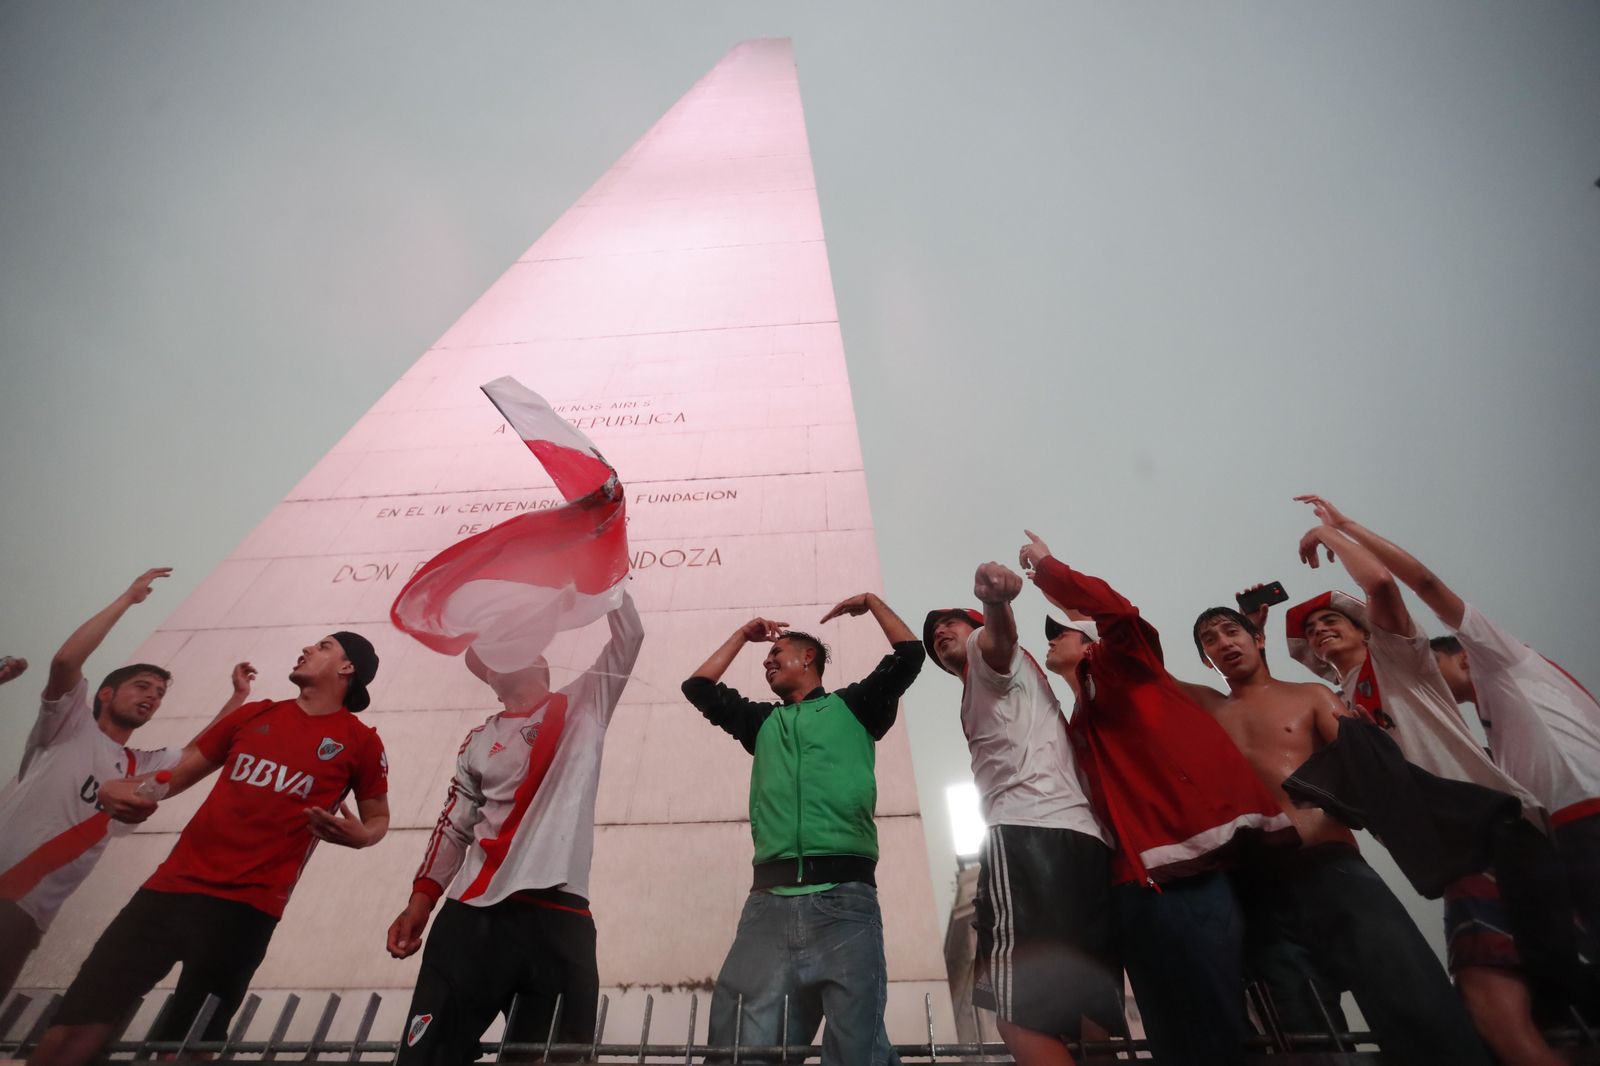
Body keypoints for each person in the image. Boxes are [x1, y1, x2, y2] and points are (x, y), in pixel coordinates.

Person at [1288, 503, 1571, 1066]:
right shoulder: (1339, 708)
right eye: (1311, 631)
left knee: (1486, 995)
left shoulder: (1398, 660)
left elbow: (1382, 585)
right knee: (1540, 1004)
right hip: (1455, 849)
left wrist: (1329, 532)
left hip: (1491, 823)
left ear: (1361, 628)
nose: (1320, 630)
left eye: (1331, 620)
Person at [28, 632, 389, 1066]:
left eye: (324, 646)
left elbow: (377, 819)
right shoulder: (256, 714)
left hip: (247, 910)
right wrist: (117, 789)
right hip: (166, 893)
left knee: (186, 1051)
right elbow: (171, 777)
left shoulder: (362, 741)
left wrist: (363, 836)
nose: (308, 649)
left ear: (347, 668)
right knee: (72, 1031)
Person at [1017, 532, 1295, 1066]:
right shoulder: (1077, 723)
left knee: (1217, 1028)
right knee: (1170, 1038)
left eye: (1061, 632)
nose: (1050, 639)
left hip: (1187, 871)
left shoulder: (1127, 668)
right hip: (1130, 889)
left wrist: (1050, 569)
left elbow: (1119, 612)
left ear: (1091, 643)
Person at [1191, 604, 1490, 1064]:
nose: (1224, 643)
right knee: (1303, 1033)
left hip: (1332, 868)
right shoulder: (1206, 709)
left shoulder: (1311, 695)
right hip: (1258, 887)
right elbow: (1137, 667)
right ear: (1205, 660)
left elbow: (1372, 773)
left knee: (1414, 1003)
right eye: (1210, 641)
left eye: (1233, 632)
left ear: (1259, 639)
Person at [386, 591, 643, 1063]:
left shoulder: (586, 704)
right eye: (494, 652)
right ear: (490, 676)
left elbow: (630, 636)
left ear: (540, 663)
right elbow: (454, 827)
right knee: (428, 1056)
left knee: (553, 1058)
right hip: (472, 916)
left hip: (559, 916)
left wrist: (608, 579)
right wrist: (419, 902)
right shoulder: (479, 740)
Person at [681, 592, 923, 1065]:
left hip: (844, 904)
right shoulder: (762, 723)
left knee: (857, 1052)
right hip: (766, 908)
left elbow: (910, 656)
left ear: (808, 657)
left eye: (775, 653)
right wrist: (741, 636)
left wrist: (872, 604)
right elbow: (698, 688)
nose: (766, 662)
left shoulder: (856, 706)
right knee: (738, 1051)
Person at [923, 561, 1122, 1066]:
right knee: (1087, 1015)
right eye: (932, 635)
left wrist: (995, 604)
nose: (940, 631)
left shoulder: (984, 658)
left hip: (1028, 834)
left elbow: (997, 641)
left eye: (951, 622)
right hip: (1086, 842)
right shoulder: (1009, 682)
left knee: (1015, 1012)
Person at [0, 568, 222, 1002]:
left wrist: (237, 699)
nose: (151, 697)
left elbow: (203, 751)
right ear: (104, 694)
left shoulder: (143, 765)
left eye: (158, 693)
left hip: (34, 913)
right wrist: (129, 599)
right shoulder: (68, 724)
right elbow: (65, 661)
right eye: (141, 686)